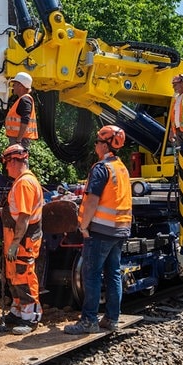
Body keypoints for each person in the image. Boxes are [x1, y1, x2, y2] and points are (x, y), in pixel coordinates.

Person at [64, 125, 132, 335]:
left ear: (104, 145)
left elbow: (92, 200)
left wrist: (83, 225)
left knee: (91, 274)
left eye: (97, 142)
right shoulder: (121, 167)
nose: (95, 146)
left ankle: (89, 321)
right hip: (120, 229)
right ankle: (111, 319)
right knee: (113, 274)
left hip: (101, 230)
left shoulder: (101, 168)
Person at [0, 144, 44, 335]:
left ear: (16, 161)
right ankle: (17, 311)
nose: (6, 168)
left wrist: (15, 242)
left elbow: (24, 217)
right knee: (13, 276)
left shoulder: (25, 183)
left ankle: (30, 316)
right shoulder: (21, 181)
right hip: (16, 238)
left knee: (24, 276)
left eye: (7, 163)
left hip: (23, 240)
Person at [4, 72, 38, 149]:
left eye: (15, 84)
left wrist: (18, 140)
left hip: (20, 139)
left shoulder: (24, 100)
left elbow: (25, 120)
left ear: (20, 85)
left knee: (18, 159)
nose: (13, 86)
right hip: (18, 138)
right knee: (15, 159)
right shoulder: (22, 99)